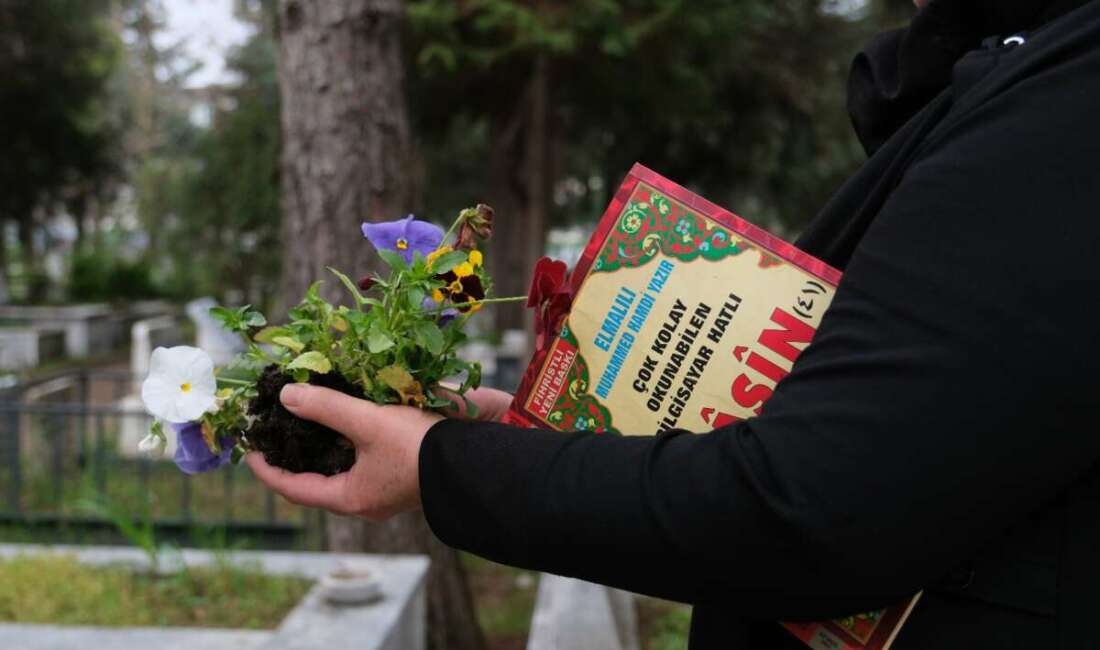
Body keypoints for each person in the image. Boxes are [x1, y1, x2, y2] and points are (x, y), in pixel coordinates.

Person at [248, 0, 1100, 647]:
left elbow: (806, 509)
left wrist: (442, 469)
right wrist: (527, 437)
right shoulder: (1023, 74)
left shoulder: (1071, 99)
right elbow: (908, 437)